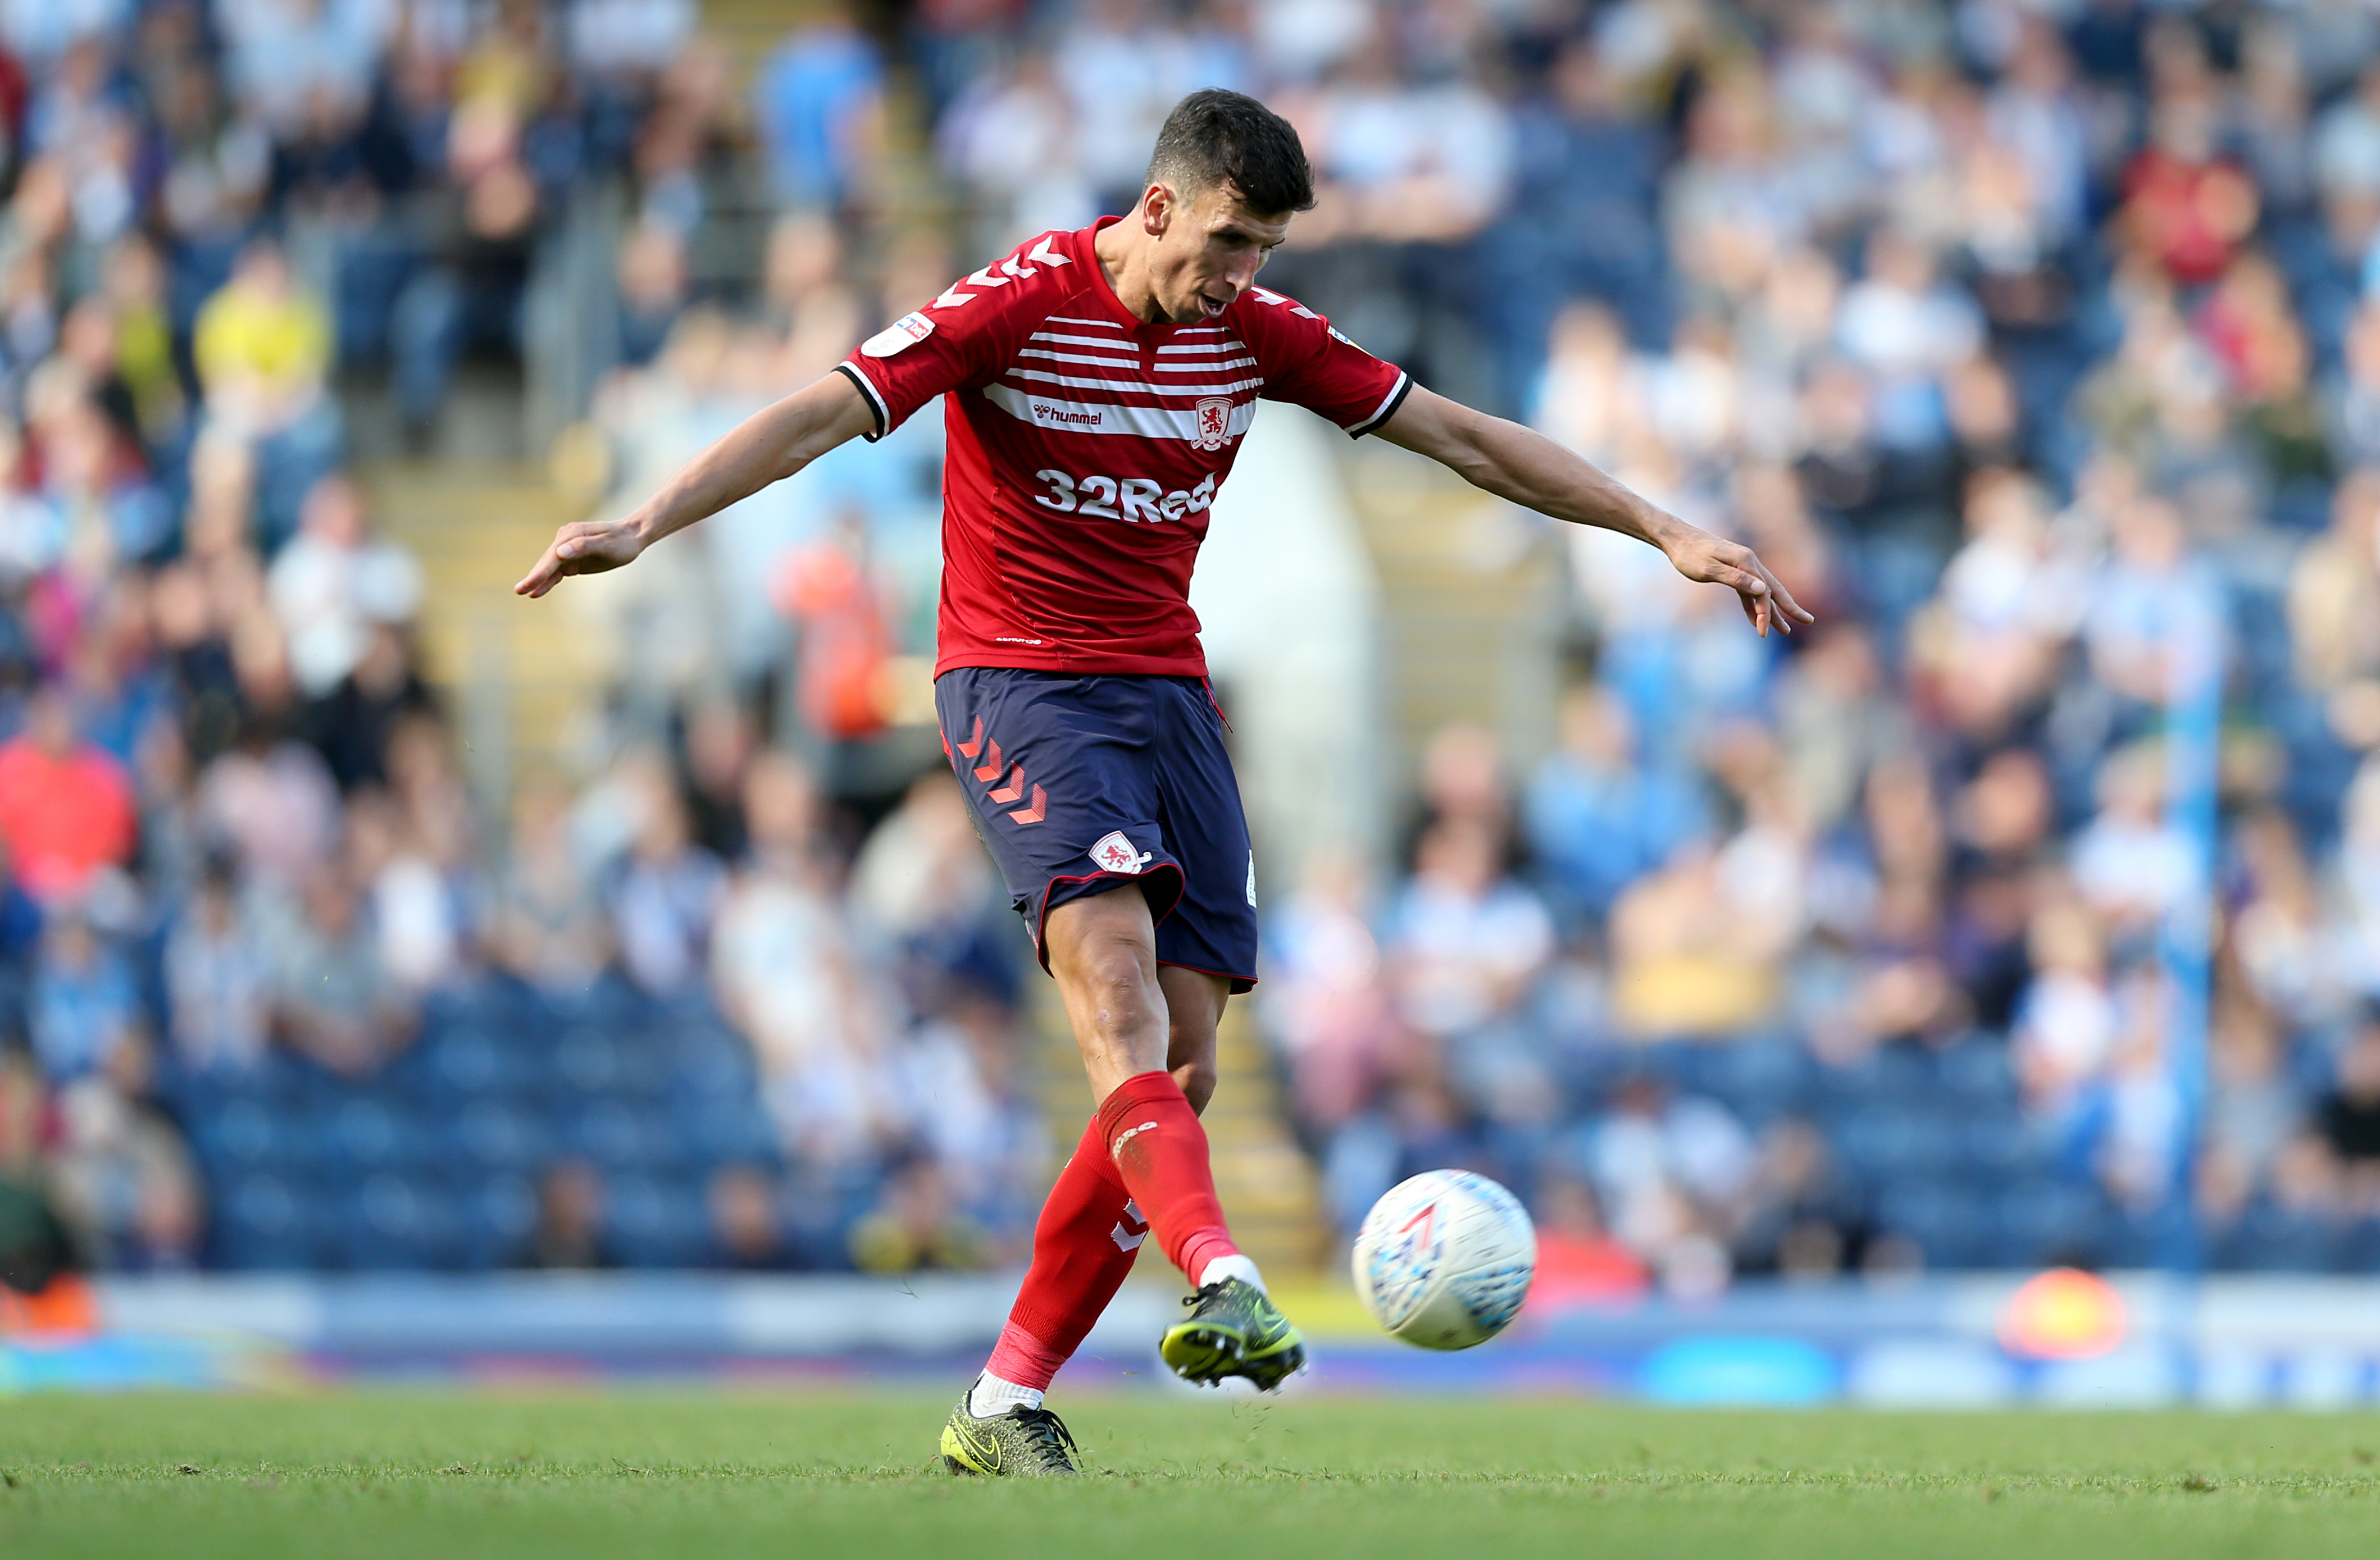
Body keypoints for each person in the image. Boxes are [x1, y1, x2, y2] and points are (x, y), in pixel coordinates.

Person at [515, 89, 1809, 1476]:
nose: (1242, 278)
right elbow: (820, 417)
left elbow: (1470, 439)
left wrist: (1661, 527)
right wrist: (647, 521)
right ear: (1158, 208)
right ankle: (1220, 1273)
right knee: (1117, 1002)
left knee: (1183, 1070)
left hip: (1170, 697)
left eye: (1263, 254)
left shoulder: (1250, 335)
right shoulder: (1016, 302)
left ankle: (1005, 1405)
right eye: (1232, 243)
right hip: (1018, 682)